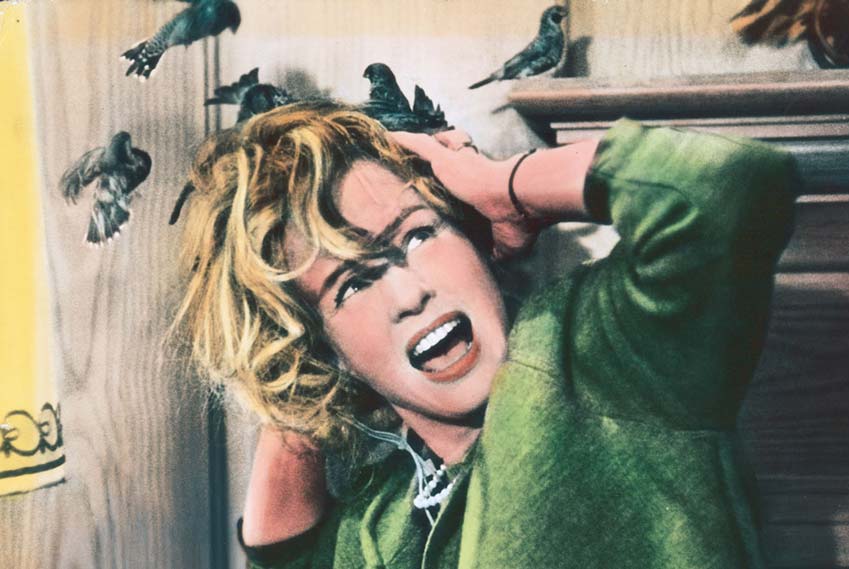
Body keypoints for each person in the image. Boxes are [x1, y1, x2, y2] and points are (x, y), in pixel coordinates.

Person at [173, 99, 799, 568]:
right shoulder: (380, 523)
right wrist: (298, 380)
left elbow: (725, 189)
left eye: (418, 235)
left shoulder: (602, 353)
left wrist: (502, 188)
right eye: (353, 284)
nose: (411, 294)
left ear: (470, 233)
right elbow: (284, 556)